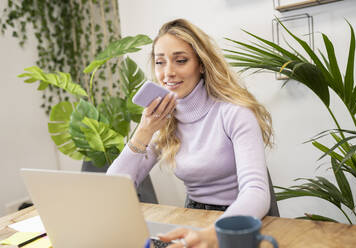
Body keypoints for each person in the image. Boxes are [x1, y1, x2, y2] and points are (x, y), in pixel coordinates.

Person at [107, 18, 273, 248]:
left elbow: (256, 192)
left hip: (239, 222)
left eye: (181, 60)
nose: (168, 73)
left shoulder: (234, 112)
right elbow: (115, 188)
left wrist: (215, 232)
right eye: (160, 62)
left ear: (201, 64)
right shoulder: (162, 118)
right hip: (193, 216)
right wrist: (143, 132)